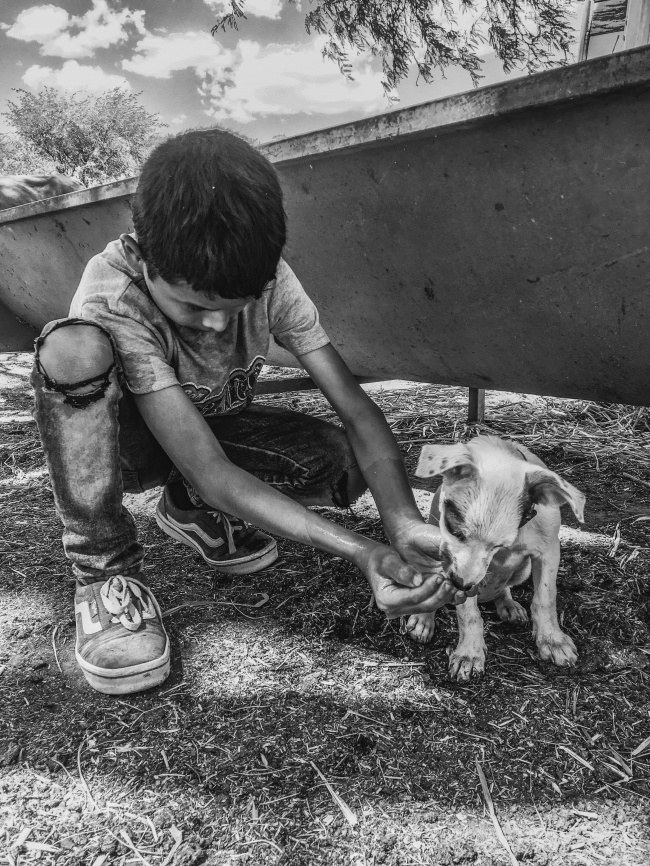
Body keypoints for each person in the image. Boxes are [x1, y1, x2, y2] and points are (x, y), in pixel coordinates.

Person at [31, 128, 465, 696]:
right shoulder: (113, 294)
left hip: (205, 433)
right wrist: (361, 552)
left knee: (342, 464)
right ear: (144, 254)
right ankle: (104, 575)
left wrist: (402, 524)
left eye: (232, 309)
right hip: (126, 449)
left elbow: (358, 413)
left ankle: (190, 508)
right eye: (191, 305)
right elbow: (213, 470)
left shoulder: (269, 278)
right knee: (72, 348)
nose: (215, 325)